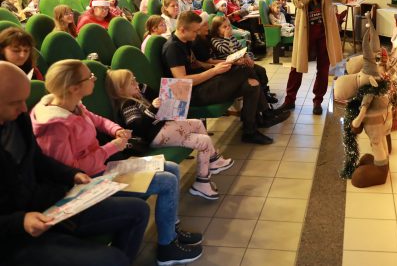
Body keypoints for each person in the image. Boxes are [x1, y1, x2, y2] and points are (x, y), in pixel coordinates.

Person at [30, 59, 203, 265]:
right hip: (88, 185)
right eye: (89, 77)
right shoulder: (54, 126)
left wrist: (116, 130)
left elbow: (97, 120)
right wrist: (112, 147)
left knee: (171, 168)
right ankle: (167, 248)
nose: (94, 78)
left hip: (101, 169)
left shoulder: (71, 103)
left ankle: (170, 230)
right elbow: (71, 171)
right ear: (74, 87)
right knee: (166, 181)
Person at [0, 61, 150, 266]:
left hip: (46, 206)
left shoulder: (17, 118)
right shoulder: (53, 123)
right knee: (114, 259)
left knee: (139, 210)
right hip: (13, 233)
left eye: (24, 100)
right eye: (15, 102)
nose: (24, 108)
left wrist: (71, 174)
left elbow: (37, 159)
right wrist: (20, 221)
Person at [161, 11, 289, 145]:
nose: (197, 33)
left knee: (252, 85)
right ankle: (265, 114)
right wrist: (214, 71)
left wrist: (215, 66)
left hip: (202, 84)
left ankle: (250, 130)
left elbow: (196, 64)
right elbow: (183, 81)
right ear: (182, 30)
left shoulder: (184, 41)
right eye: (195, 31)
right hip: (188, 95)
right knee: (245, 69)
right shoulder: (173, 48)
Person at [106, 69, 234, 200]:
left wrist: (142, 87)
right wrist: (152, 109)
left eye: (135, 79)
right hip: (156, 135)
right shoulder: (127, 104)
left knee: (201, 133)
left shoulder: (137, 96)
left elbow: (154, 95)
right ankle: (208, 171)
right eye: (131, 82)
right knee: (200, 132)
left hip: (162, 130)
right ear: (121, 89)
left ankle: (207, 172)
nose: (136, 84)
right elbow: (137, 128)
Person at [277, 0, 356, 115]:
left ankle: (318, 101)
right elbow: (298, 2)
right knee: (297, 66)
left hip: (324, 28)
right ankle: (290, 100)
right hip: (305, 30)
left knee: (323, 66)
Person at [209, 15, 277, 103]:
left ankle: (264, 92)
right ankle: (261, 96)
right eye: (224, 27)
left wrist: (247, 57)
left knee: (261, 70)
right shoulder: (215, 40)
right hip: (230, 66)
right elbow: (224, 49)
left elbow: (241, 48)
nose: (228, 28)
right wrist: (226, 37)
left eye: (229, 25)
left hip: (240, 63)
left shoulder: (232, 37)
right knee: (253, 73)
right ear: (217, 30)